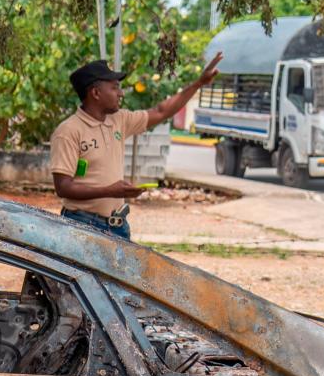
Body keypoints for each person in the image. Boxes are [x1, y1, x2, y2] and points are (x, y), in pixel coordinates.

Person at [50, 54, 223, 241]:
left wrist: (198, 83)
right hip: (82, 225)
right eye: (114, 87)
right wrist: (110, 191)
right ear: (95, 93)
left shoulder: (119, 120)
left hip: (117, 225)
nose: (121, 93)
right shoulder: (68, 131)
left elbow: (161, 111)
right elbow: (63, 187)